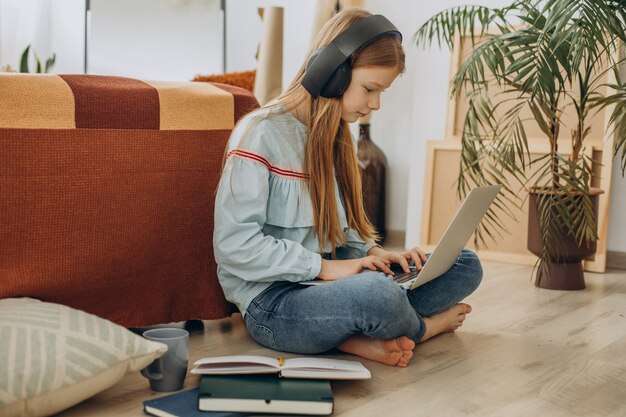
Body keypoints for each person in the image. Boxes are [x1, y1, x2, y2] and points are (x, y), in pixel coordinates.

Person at [213, 9, 482, 367]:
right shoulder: (260, 132)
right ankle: (420, 329)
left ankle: (354, 333)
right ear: (332, 73)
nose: (375, 105)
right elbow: (234, 246)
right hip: (274, 302)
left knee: (465, 263)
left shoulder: (336, 137)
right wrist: (325, 269)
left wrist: (376, 253)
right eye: (370, 89)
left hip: (333, 287)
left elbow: (342, 232)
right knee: (377, 296)